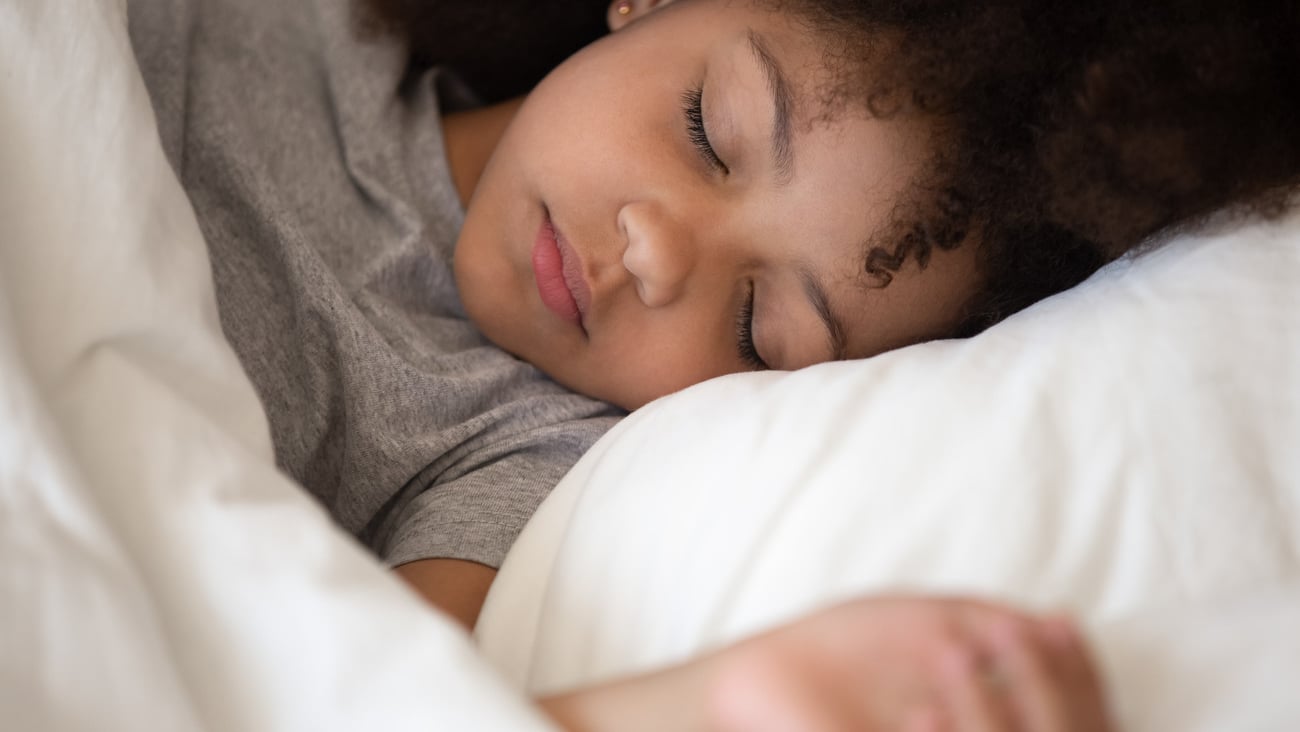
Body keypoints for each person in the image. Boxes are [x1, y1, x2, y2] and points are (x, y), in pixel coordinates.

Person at [126, 0, 1297, 728]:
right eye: (707, 131)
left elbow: (355, 701)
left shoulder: (510, 453)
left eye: (758, 329)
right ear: (646, 0)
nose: (655, 251)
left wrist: (720, 707)